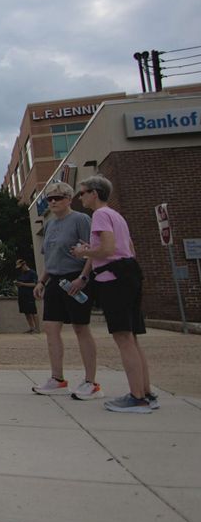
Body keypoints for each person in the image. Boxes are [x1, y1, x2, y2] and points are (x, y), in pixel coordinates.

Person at [72, 175, 157, 412]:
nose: (81, 197)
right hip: (129, 272)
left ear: (94, 193)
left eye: (83, 192)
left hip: (113, 277)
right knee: (133, 337)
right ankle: (147, 392)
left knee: (123, 337)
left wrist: (83, 253)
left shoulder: (99, 215)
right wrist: (94, 251)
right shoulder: (116, 215)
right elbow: (128, 247)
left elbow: (108, 249)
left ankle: (136, 397)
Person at [31, 181, 100, 400]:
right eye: (49, 198)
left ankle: (91, 381)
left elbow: (91, 251)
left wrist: (83, 277)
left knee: (81, 328)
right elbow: (50, 257)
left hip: (76, 278)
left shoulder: (81, 220)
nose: (53, 202)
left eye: (58, 198)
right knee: (51, 328)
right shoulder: (50, 225)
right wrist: (41, 281)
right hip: (55, 281)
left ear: (69, 199)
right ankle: (57, 378)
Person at [14, 260, 40, 333]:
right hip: (22, 295)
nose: (20, 269)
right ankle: (31, 328)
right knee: (26, 312)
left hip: (30, 295)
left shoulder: (32, 273)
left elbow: (35, 284)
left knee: (33, 312)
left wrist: (22, 284)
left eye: (21, 267)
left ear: (24, 265)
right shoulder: (21, 274)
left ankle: (37, 329)